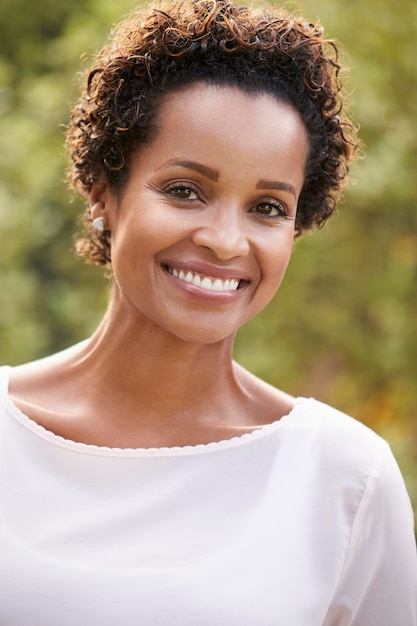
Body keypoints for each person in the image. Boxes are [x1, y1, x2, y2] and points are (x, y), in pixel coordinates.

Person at [0, 0, 416, 623]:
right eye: (185, 191)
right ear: (102, 195)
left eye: (268, 207)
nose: (226, 240)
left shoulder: (344, 478)